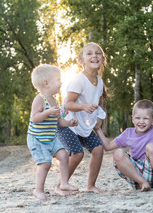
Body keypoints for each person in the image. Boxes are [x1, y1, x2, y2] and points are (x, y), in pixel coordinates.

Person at [95, 99, 153, 191]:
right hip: (136, 176)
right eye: (138, 118)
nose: (141, 121)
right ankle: (143, 182)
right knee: (118, 153)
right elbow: (107, 146)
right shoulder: (128, 133)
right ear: (133, 119)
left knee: (152, 147)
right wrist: (98, 129)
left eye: (145, 118)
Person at [56, 42, 107, 194]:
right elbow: (68, 104)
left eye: (98, 53)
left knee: (98, 149)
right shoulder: (78, 80)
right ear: (81, 61)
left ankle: (91, 185)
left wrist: (99, 117)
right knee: (77, 154)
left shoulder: (99, 82)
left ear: (103, 59)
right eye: (89, 53)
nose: (94, 56)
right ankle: (60, 185)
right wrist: (84, 106)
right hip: (67, 124)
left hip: (82, 125)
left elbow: (96, 103)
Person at [27, 64, 79, 200]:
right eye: (58, 80)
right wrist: (48, 112)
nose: (61, 83)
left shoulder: (54, 101)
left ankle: (64, 183)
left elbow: (59, 121)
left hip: (50, 137)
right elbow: (34, 118)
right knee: (45, 163)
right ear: (46, 83)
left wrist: (69, 123)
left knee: (64, 155)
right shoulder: (39, 99)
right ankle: (38, 190)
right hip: (37, 138)